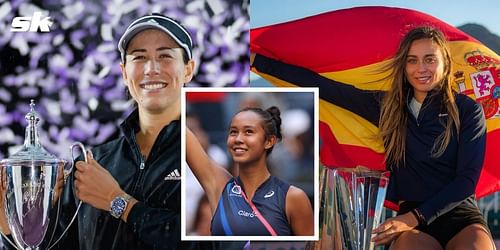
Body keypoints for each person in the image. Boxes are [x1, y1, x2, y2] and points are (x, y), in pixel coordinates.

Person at [251, 27, 494, 249]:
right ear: (404, 66)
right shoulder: (387, 106)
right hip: (413, 225)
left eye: (430, 59)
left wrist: (412, 218)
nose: (421, 68)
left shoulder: (467, 110)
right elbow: (323, 86)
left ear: (445, 63)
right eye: (412, 60)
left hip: (460, 217)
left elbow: (466, 181)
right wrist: (257, 61)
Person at [1, 13, 203, 250]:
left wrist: (117, 201)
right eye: (139, 57)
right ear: (124, 73)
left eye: (165, 56)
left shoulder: (214, 159)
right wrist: (8, 223)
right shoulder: (91, 165)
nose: (151, 68)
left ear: (189, 69)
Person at [186, 105, 314, 236]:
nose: (238, 139)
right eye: (233, 132)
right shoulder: (220, 187)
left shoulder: (293, 198)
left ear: (269, 141)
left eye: (248, 132)